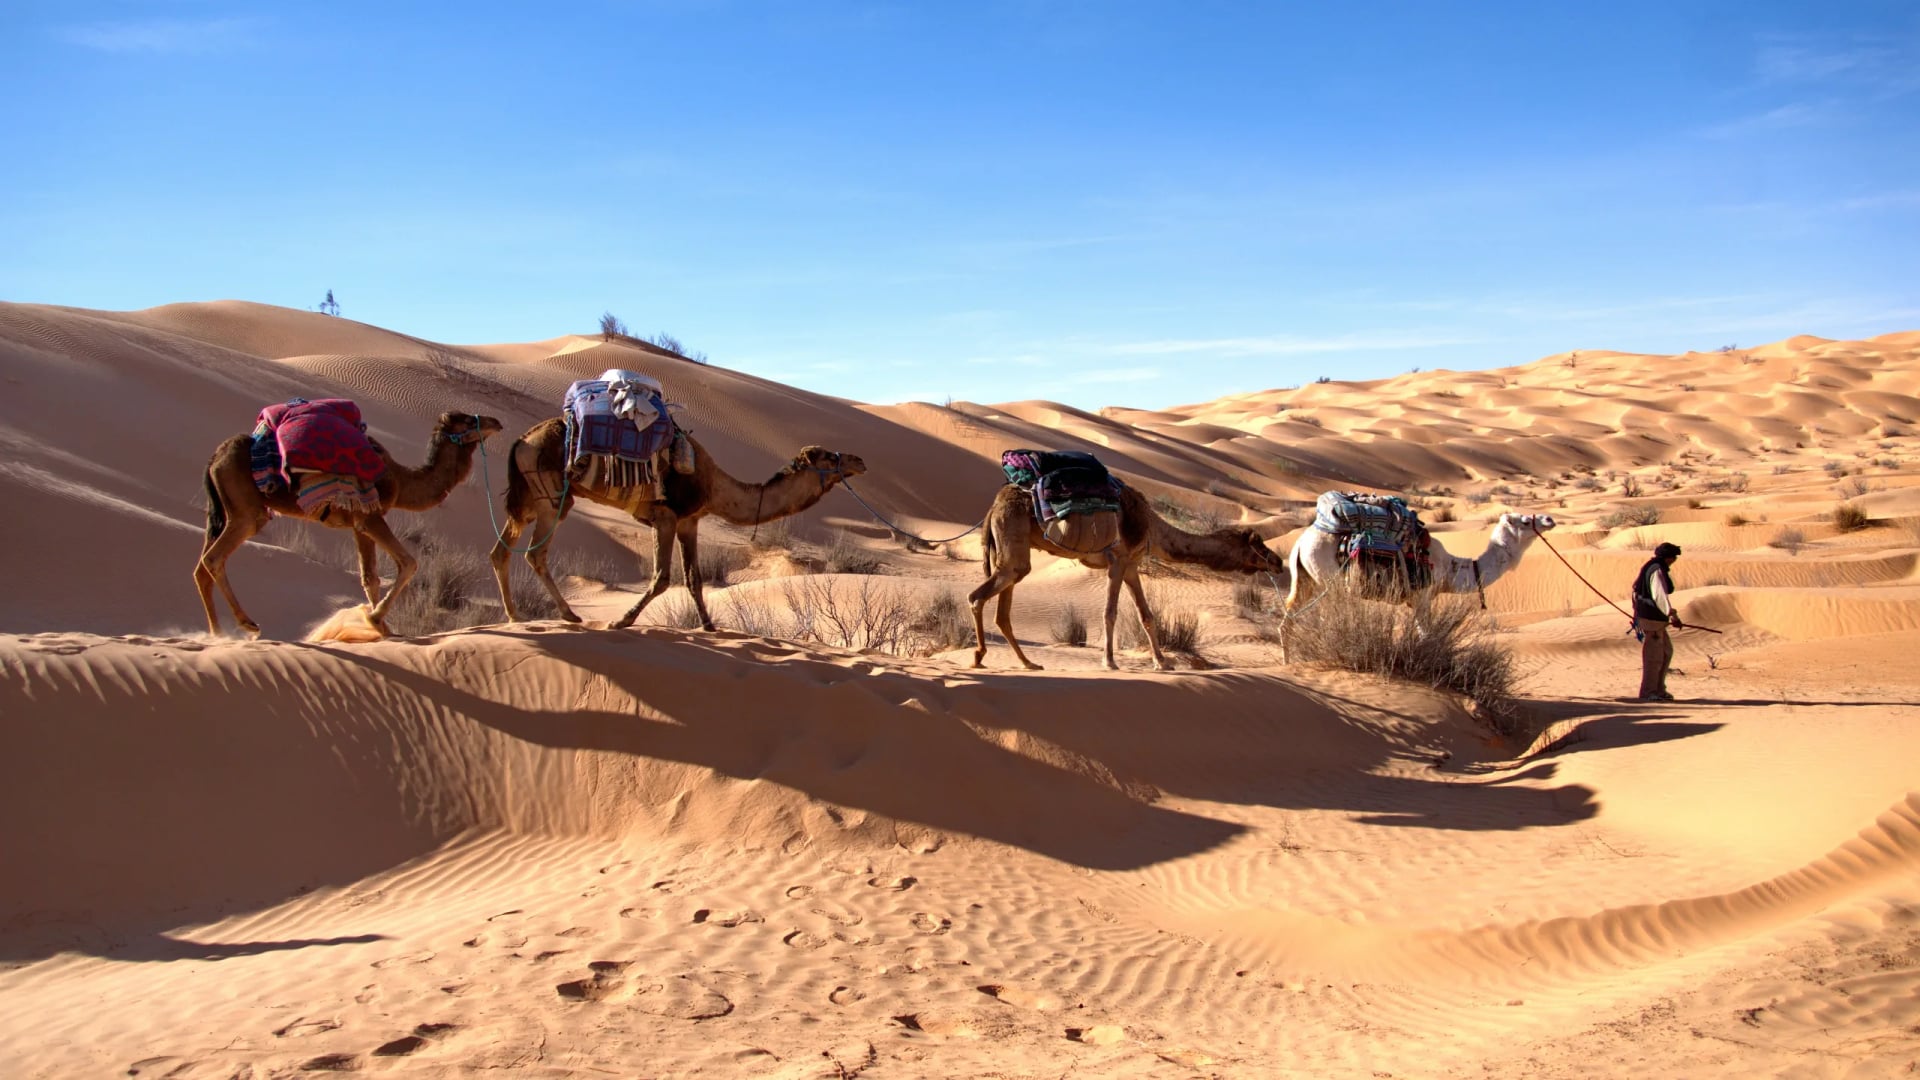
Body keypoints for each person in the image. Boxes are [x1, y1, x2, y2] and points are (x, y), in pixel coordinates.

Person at [1632, 542, 1684, 701]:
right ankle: (1649, 692)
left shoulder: (1653, 566)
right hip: (1652, 619)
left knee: (1665, 652)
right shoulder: (1656, 570)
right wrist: (1672, 615)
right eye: (1673, 557)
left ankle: (1659, 689)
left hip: (1654, 619)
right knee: (1654, 657)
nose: (1674, 561)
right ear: (1668, 558)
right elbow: (1659, 595)